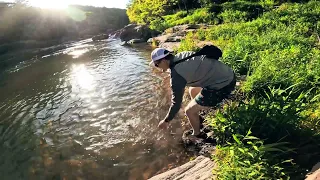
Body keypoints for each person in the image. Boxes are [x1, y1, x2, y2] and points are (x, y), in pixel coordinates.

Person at [149, 48, 236, 138]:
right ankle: (200, 110)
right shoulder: (182, 55)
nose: (157, 67)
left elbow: (176, 103)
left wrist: (166, 121)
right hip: (229, 74)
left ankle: (197, 133)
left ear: (163, 61)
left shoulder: (176, 77)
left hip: (224, 85)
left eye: (157, 64)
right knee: (192, 89)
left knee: (188, 111)